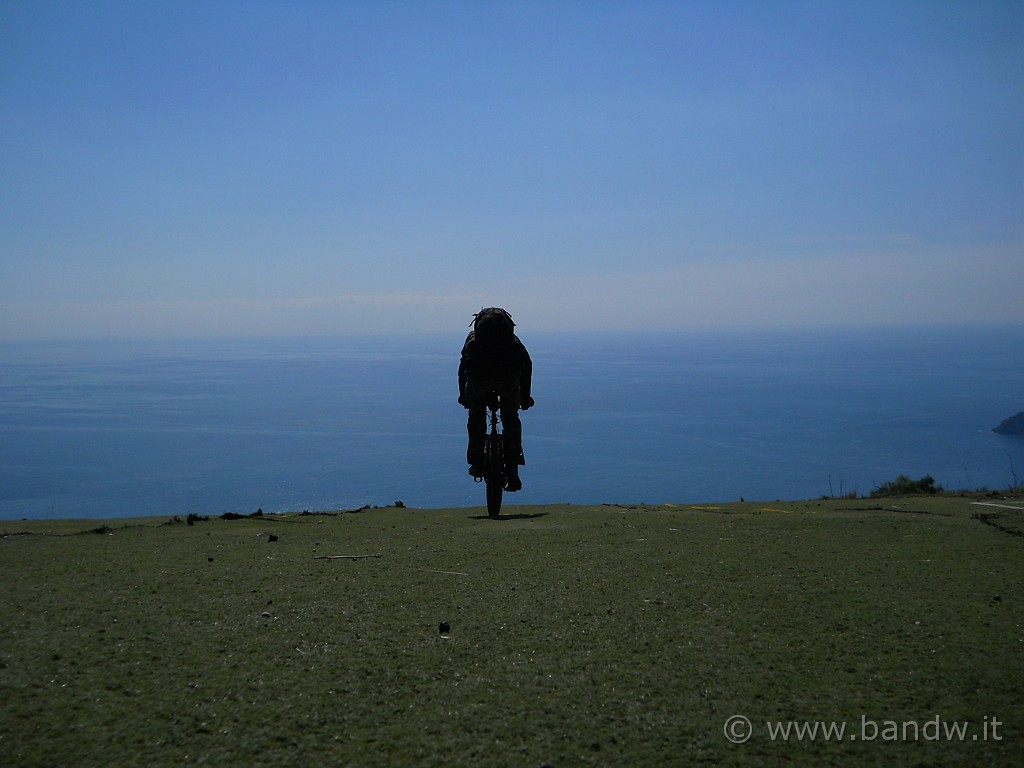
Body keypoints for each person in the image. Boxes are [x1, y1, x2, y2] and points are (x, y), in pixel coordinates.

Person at [458, 308, 534, 491]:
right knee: (511, 420)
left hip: (479, 381)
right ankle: (513, 472)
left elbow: (462, 367)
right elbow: (527, 364)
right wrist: (525, 396)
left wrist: (462, 395)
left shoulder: (473, 339)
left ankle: (476, 462)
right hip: (508, 380)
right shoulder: (512, 341)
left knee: (476, 419)